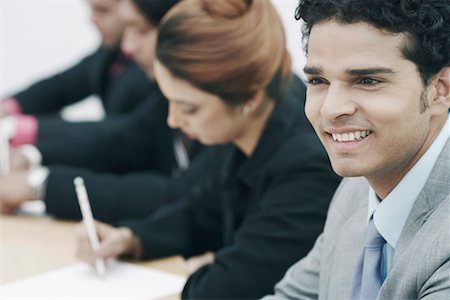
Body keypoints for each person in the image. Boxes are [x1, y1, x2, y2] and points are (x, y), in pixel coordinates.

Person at [76, 0, 341, 298]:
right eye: (170, 102)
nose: (172, 119)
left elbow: (222, 291)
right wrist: (133, 238)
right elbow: (204, 210)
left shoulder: (307, 169)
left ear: (249, 98)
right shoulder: (249, 128)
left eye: (188, 108)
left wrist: (208, 269)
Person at [262, 0, 450, 299]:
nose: (332, 108)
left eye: (367, 80)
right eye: (318, 80)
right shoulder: (355, 190)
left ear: (441, 89)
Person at [0, 0, 199, 220]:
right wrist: (32, 154)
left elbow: (183, 194)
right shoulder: (112, 55)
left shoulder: (146, 81)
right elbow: (65, 86)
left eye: (140, 30)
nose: (128, 47)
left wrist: (39, 183)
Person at [0, 0, 153, 148]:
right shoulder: (110, 52)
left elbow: (127, 132)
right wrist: (8, 107)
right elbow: (64, 85)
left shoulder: (150, 67)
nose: (92, 19)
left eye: (103, 10)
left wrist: (21, 130)